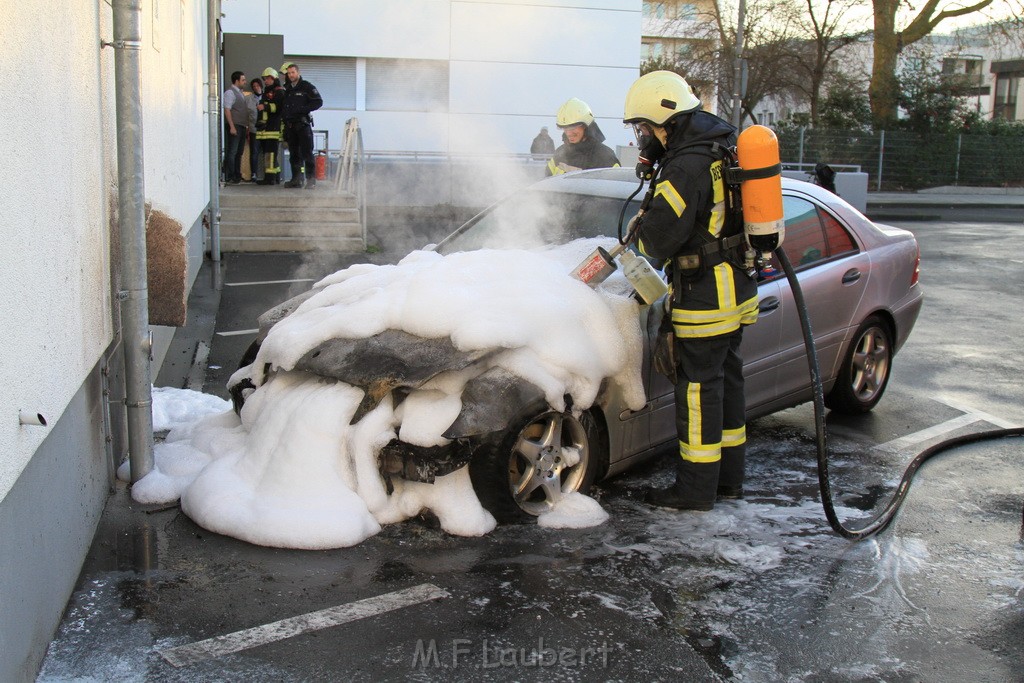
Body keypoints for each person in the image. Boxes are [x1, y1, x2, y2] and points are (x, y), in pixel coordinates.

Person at [622, 70, 759, 511]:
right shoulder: (720, 144)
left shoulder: (684, 165)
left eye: (645, 128)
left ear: (668, 120)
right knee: (727, 384)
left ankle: (694, 491)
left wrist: (638, 232)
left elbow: (658, 242)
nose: (644, 138)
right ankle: (728, 481)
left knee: (699, 392)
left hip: (705, 295)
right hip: (735, 287)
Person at [545, 97, 619, 176]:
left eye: (572, 127)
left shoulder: (605, 157)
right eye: (565, 128)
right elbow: (545, 183)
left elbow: (616, 186)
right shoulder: (559, 154)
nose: (569, 133)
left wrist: (583, 177)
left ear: (586, 127)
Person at [280, 62, 323, 188]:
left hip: (302, 125)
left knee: (307, 153)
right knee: (294, 155)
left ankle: (310, 180)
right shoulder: (288, 89)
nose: (291, 75)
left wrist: (303, 109)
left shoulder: (306, 87)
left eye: (293, 72)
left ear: (298, 73)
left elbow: (318, 102)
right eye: (289, 73)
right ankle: (296, 179)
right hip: (290, 126)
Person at [256, 67, 285, 185]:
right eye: (264, 79)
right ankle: (276, 176)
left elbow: (279, 108)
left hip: (273, 128)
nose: (265, 81)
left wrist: (265, 107)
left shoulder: (279, 92)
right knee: (268, 153)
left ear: (274, 78)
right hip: (265, 129)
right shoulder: (267, 92)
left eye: (267, 79)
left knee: (270, 154)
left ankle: (270, 178)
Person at [222, 71, 248, 184]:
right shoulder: (230, 93)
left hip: (241, 126)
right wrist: (232, 126)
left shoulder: (240, 93)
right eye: (243, 80)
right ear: (236, 81)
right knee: (232, 151)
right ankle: (230, 175)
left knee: (239, 152)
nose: (245, 82)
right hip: (235, 125)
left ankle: (237, 175)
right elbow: (227, 109)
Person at [245, 77, 263, 182]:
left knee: (266, 151)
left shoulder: (267, 96)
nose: (256, 88)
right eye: (254, 86)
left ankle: (267, 174)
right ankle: (253, 174)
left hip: (266, 129)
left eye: (258, 85)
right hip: (253, 129)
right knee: (254, 152)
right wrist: (247, 128)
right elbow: (246, 115)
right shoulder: (248, 99)